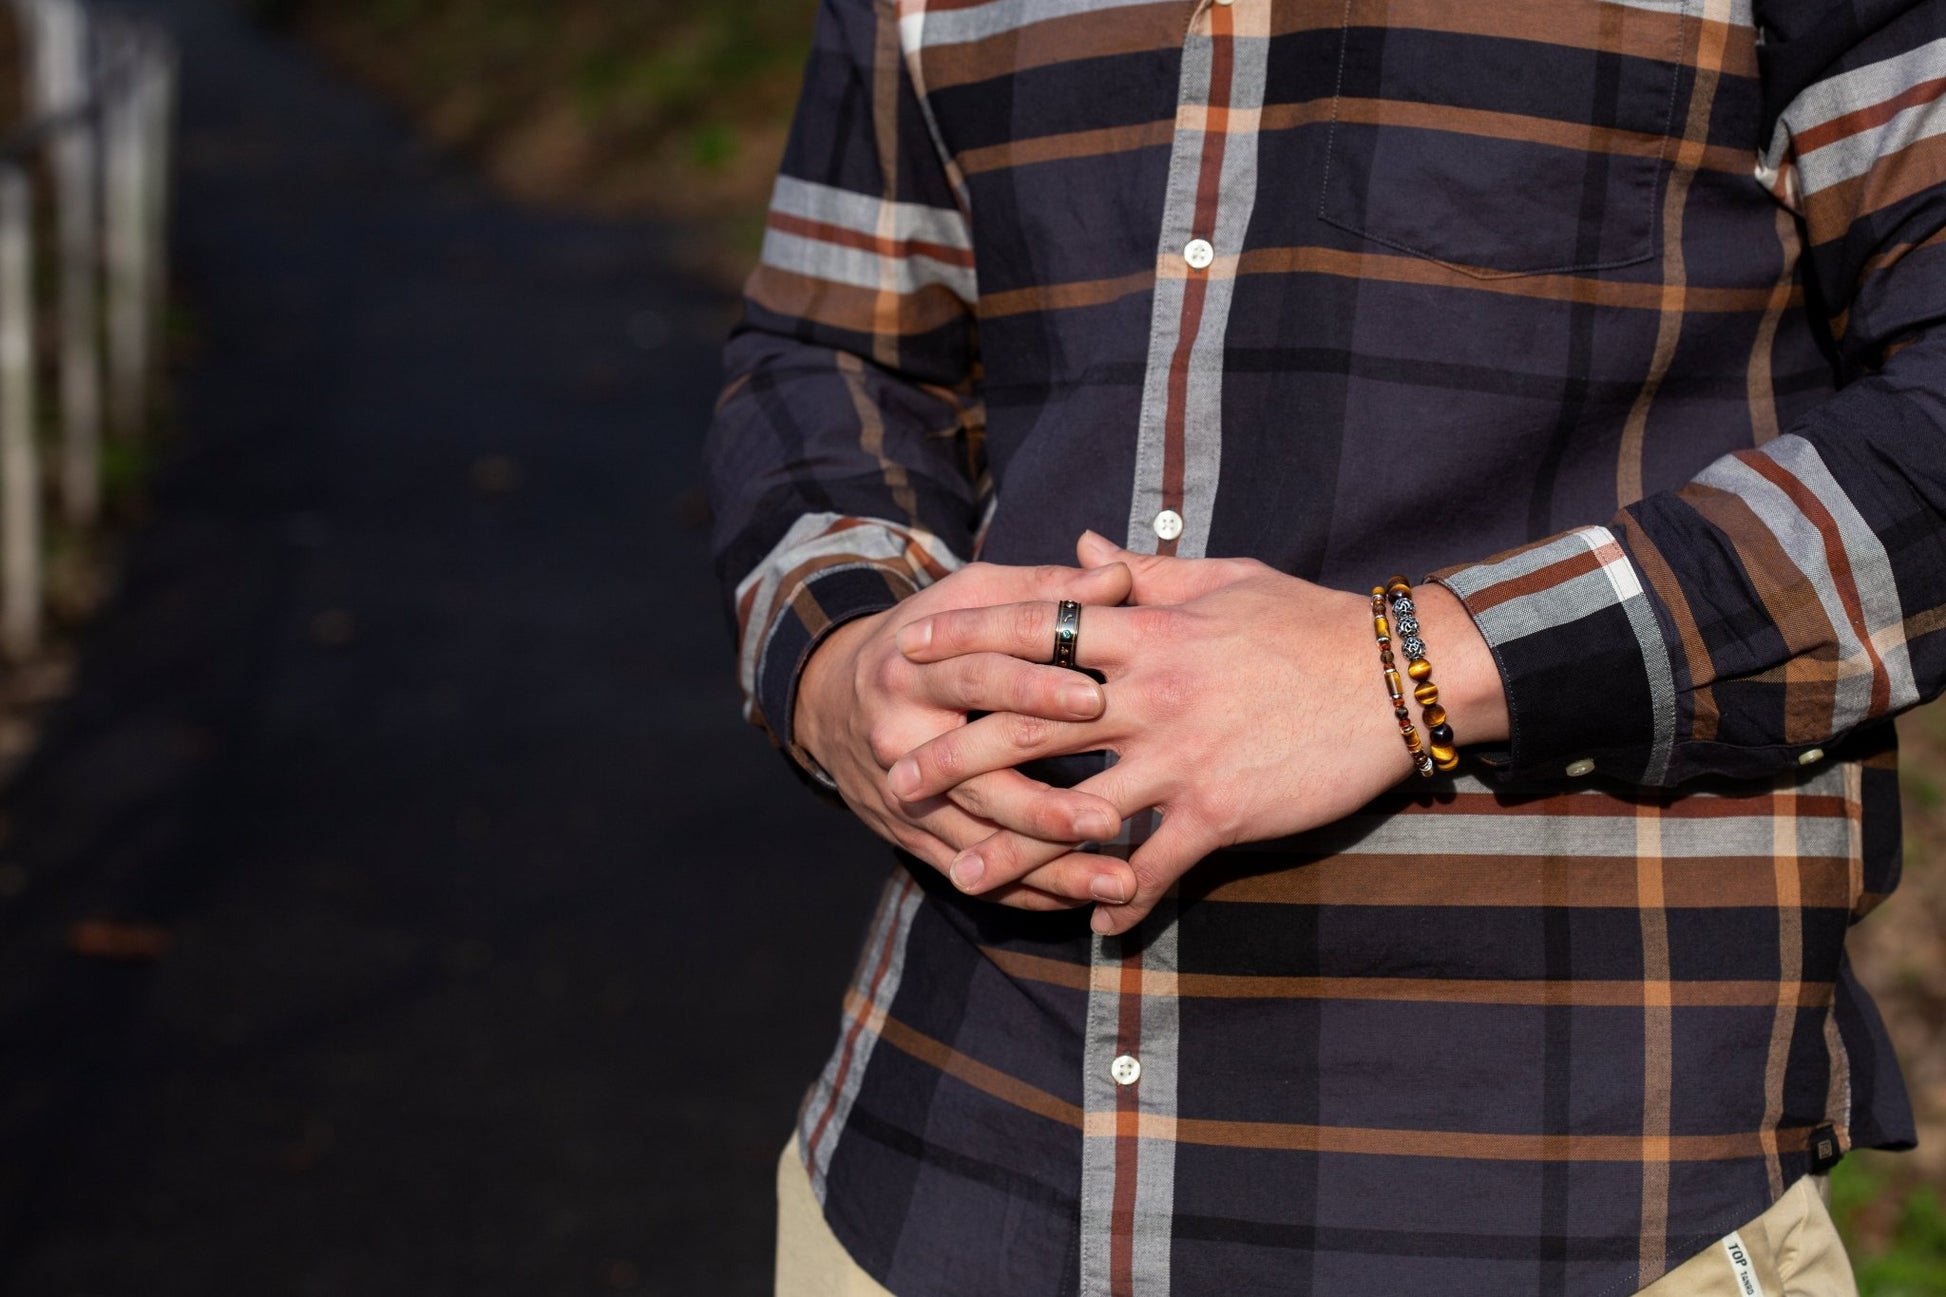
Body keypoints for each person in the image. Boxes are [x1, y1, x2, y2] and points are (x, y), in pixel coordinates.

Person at [702, 0, 1944, 1288]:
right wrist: (834, 659)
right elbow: (830, 352)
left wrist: (1414, 667)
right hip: (938, 1176)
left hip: (1562, 1201)